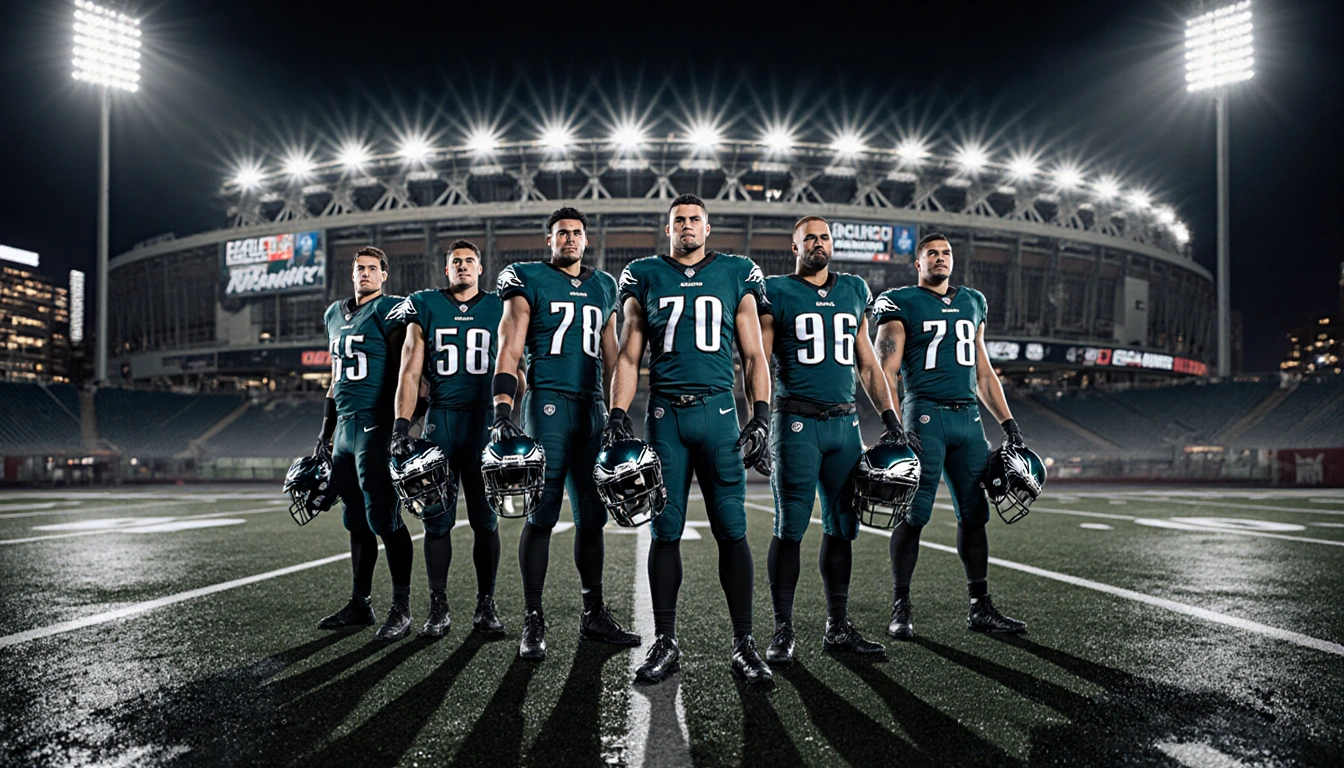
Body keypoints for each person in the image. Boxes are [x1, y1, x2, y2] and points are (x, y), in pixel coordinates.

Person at [608, 194, 774, 687]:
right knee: (665, 530)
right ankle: (665, 640)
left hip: (719, 413)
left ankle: (744, 643)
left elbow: (753, 354)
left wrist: (761, 416)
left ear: (707, 228)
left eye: (694, 219)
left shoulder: (736, 272)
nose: (686, 226)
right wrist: (617, 414)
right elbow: (629, 353)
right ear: (668, 229)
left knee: (732, 527)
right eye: (678, 220)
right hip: (665, 417)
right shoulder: (644, 274)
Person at [757, 216, 912, 664]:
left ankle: (838, 626)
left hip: (844, 426)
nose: (818, 243)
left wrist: (891, 418)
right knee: (789, 527)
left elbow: (867, 363)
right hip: (796, 423)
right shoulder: (776, 291)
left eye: (824, 237)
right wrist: (760, 420)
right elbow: (759, 361)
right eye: (809, 238)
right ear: (795, 247)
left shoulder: (854, 289)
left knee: (843, 527)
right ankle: (782, 629)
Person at [491, 207, 641, 660]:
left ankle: (593, 613)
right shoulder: (527, 277)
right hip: (547, 402)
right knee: (542, 514)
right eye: (562, 233)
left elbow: (613, 357)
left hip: (592, 407)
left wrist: (617, 413)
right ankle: (533, 617)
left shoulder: (604, 285)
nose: (570, 239)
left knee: (593, 516)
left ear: (586, 240)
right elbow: (510, 347)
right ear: (550, 240)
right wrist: (503, 410)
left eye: (577, 233)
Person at [873, 233, 1028, 639]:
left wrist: (1009, 423)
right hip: (924, 416)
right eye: (932, 254)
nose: (940, 259)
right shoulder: (900, 301)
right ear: (918, 263)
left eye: (946, 253)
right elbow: (886, 369)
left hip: (968, 419)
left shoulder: (973, 301)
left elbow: (983, 372)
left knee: (975, 514)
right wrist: (894, 424)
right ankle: (900, 604)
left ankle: (980, 607)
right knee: (914, 513)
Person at [388, 240, 517, 637]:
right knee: (436, 520)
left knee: (486, 521)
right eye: (456, 262)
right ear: (447, 269)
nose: (462, 266)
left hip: (484, 422)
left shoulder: (500, 305)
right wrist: (401, 424)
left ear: (481, 268)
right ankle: (438, 607)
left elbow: (516, 366)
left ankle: (486, 605)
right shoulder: (424, 303)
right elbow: (410, 370)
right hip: (441, 422)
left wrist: (509, 414)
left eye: (469, 261)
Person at [314, 246, 416, 640]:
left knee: (384, 518)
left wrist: (403, 425)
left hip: (375, 425)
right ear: (352, 273)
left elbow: (408, 370)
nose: (366, 274)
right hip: (344, 428)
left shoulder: (390, 309)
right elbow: (335, 377)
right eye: (360, 268)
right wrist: (324, 433)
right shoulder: (333, 314)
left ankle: (402, 607)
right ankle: (361, 603)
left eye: (373, 268)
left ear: (384, 275)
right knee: (354, 519)